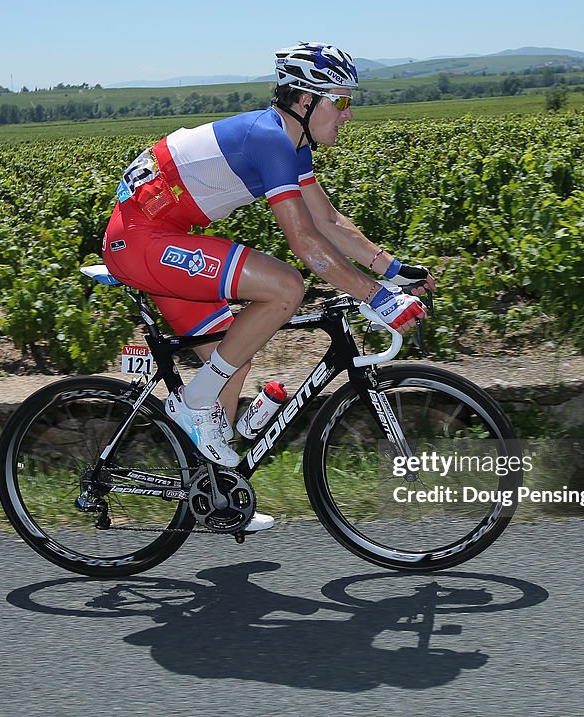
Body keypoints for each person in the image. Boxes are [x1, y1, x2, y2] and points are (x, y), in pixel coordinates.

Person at [102, 42, 435, 528]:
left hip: (160, 237)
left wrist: (393, 269)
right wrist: (377, 298)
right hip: (139, 240)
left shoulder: (291, 143)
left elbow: (327, 220)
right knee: (284, 286)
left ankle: (218, 497)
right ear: (305, 101)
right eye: (340, 101)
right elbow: (305, 243)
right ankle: (194, 403)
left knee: (234, 353)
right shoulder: (270, 140)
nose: (348, 114)